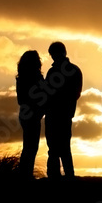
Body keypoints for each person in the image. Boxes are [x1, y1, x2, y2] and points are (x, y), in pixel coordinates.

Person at [44, 41, 83, 179]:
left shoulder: (55, 71)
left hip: (58, 114)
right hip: (63, 114)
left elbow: (46, 93)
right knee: (61, 147)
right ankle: (66, 175)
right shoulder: (74, 70)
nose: (54, 57)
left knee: (57, 147)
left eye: (54, 54)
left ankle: (58, 176)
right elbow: (76, 94)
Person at [15, 50, 44, 178]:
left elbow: (20, 100)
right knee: (31, 147)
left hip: (25, 113)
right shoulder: (36, 76)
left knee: (28, 146)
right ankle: (26, 175)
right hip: (33, 114)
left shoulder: (21, 77)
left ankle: (25, 174)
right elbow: (45, 93)